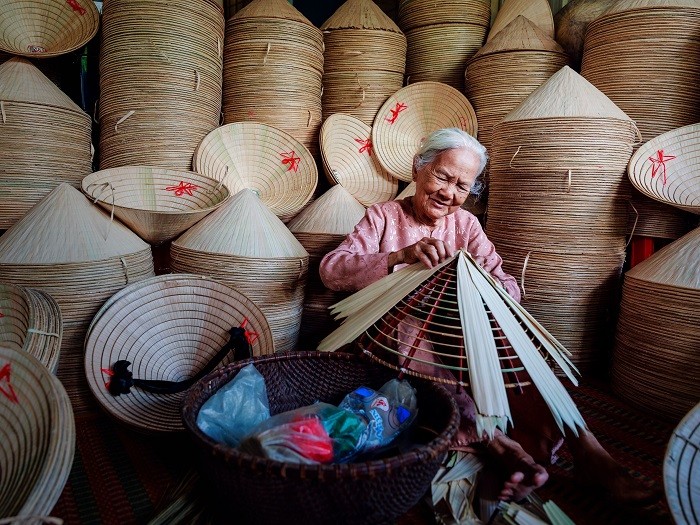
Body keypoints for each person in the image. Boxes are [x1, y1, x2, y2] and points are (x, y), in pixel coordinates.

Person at [319, 128, 658, 508]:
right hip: (393, 336)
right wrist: (402, 256)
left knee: (519, 350)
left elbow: (509, 286)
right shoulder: (383, 216)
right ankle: (498, 445)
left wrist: (479, 281)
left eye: (462, 186)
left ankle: (587, 450)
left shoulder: (466, 226)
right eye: (443, 177)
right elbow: (332, 270)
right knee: (415, 333)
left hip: (462, 332)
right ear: (418, 169)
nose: (449, 193)